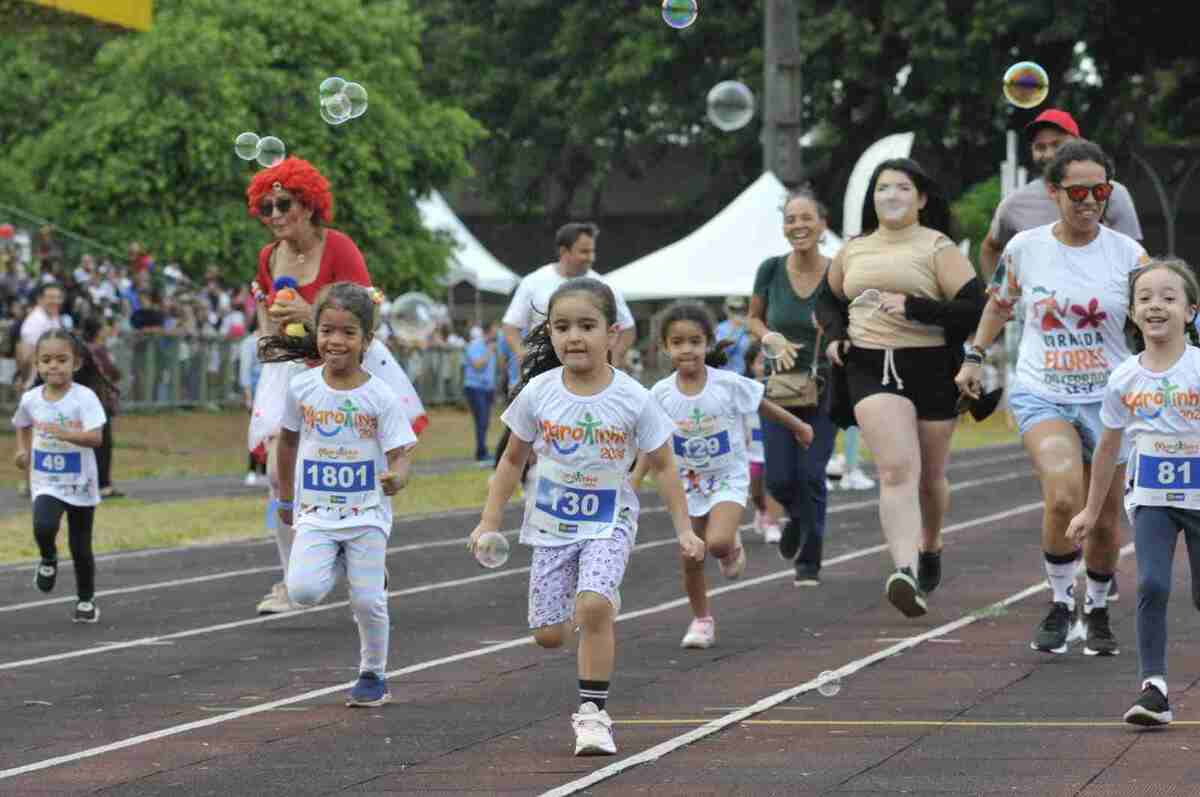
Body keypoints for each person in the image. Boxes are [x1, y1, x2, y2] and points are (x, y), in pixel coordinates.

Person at [468, 277, 705, 757]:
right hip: (552, 524)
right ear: (550, 335)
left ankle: (593, 714)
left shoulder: (634, 397)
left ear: (612, 334)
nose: (574, 337)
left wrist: (685, 529)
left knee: (594, 606)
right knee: (549, 635)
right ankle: (587, 611)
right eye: (562, 327)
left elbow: (662, 465)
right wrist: (488, 521)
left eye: (587, 326)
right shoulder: (538, 392)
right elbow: (512, 460)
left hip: (609, 520)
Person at [957, 139, 1149, 653]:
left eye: (1100, 191)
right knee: (1065, 497)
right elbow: (999, 305)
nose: (1089, 201)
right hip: (1044, 392)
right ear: (1054, 192)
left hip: (1111, 400)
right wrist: (974, 356)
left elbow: (1159, 310)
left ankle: (1100, 608)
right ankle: (1062, 602)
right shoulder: (1026, 248)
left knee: (1107, 518)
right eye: (1078, 191)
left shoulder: (1128, 254)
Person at [245, 156, 427, 615]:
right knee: (277, 474)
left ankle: (365, 557)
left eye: (284, 203)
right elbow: (268, 321)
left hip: (352, 369)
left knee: (360, 466)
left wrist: (311, 316)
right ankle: (291, 580)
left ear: (308, 204)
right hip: (294, 372)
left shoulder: (339, 247)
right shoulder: (268, 257)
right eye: (266, 208)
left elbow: (367, 316)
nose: (275, 215)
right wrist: (269, 325)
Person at [818, 160, 985, 616]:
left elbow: (974, 309)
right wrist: (835, 335)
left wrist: (914, 307)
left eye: (902, 187)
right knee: (894, 471)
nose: (891, 195)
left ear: (921, 198)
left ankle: (930, 546)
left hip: (930, 366)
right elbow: (827, 299)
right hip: (871, 367)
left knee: (929, 478)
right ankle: (905, 572)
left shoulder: (937, 247)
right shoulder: (854, 250)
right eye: (882, 188)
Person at [266, 283, 416, 707]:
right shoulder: (302, 388)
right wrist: (284, 499)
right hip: (315, 512)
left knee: (368, 600)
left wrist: (397, 478)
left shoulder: (379, 396)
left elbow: (401, 454)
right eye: (327, 330)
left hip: (367, 513)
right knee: (303, 592)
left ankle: (373, 674)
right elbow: (288, 443)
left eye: (348, 332)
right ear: (316, 333)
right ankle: (339, 559)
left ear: (367, 341)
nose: (336, 341)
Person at [1065, 259, 1200, 726]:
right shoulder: (1123, 378)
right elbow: (1107, 447)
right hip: (1151, 500)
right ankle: (1154, 689)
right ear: (1132, 312)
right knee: (1152, 583)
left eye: (1168, 297)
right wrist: (1089, 509)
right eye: (1145, 298)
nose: (1156, 306)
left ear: (1190, 311)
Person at [634, 301, 812, 649]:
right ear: (666, 347)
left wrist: (798, 426)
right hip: (686, 482)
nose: (687, 349)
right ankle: (701, 620)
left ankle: (730, 548)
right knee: (691, 554)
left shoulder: (728, 384)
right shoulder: (660, 394)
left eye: (696, 341)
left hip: (729, 476)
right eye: (678, 342)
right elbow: (650, 442)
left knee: (715, 543)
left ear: (709, 343)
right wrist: (635, 478)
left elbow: (762, 404)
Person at [747, 187, 839, 586]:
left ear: (823, 225)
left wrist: (832, 330)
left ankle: (810, 559)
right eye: (790, 219)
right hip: (778, 389)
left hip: (825, 387)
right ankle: (797, 521)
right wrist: (768, 338)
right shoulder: (769, 270)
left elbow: (853, 320)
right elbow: (754, 319)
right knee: (780, 479)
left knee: (812, 474)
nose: (798, 225)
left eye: (806, 218)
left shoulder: (838, 271)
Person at [11, 329, 118, 623]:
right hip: (46, 481)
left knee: (80, 546)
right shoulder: (32, 398)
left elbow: (96, 438)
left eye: (61, 359)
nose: (53, 366)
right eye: (46, 360)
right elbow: (21, 423)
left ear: (76, 363)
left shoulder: (84, 398)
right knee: (43, 526)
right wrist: (23, 450)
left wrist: (66, 434)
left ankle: (86, 600)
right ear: (37, 363)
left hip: (80, 482)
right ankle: (48, 557)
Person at [979, 109, 1142, 280]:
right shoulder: (1015, 204)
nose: (1049, 154)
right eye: (1040, 147)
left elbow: (1132, 259)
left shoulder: (1112, 193)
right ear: (1053, 192)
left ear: (1079, 143)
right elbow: (990, 248)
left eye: (1058, 144)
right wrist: (998, 293)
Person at [501, 222, 636, 371]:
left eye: (592, 251)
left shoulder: (604, 286)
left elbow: (627, 329)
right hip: (542, 372)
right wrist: (524, 356)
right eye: (584, 251)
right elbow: (510, 326)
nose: (591, 257)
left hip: (590, 376)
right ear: (564, 251)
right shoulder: (533, 282)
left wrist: (612, 361)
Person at [744, 341, 786, 543]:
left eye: (769, 362)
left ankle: (772, 522)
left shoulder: (780, 387)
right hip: (752, 452)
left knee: (774, 484)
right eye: (761, 362)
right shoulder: (743, 389)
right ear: (751, 365)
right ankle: (762, 510)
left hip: (774, 448)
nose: (765, 367)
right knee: (756, 492)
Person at [81, 317, 123, 498]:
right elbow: (113, 372)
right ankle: (103, 484)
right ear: (98, 331)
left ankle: (90, 482)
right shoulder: (98, 350)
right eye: (104, 326)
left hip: (85, 400)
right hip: (99, 400)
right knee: (103, 443)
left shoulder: (81, 348)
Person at [462, 324, 497, 464]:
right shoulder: (475, 345)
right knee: (481, 420)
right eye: (494, 333)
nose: (496, 336)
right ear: (487, 332)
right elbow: (477, 364)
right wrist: (489, 351)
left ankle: (482, 450)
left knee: (485, 421)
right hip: (475, 387)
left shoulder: (492, 347)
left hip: (488, 388)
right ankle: (481, 452)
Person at [238, 317, 266, 486]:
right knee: (257, 433)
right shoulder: (249, 343)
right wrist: (248, 397)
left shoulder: (271, 341)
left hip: (268, 394)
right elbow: (245, 372)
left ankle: (263, 471)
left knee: (268, 434)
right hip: (256, 394)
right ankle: (251, 469)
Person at [715, 296, 752, 375]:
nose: (737, 312)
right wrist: (734, 328)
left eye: (740, 309)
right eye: (733, 309)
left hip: (745, 375)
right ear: (725, 309)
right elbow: (721, 353)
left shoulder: (748, 327)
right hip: (726, 375)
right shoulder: (720, 328)